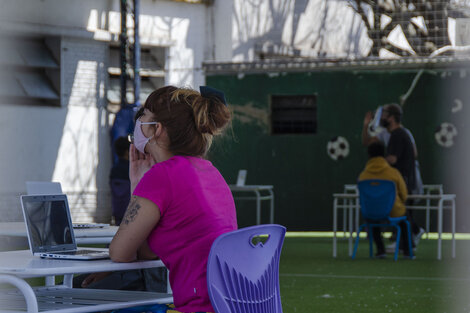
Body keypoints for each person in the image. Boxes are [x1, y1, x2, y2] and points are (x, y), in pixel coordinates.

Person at [107, 85, 237, 313]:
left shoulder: (162, 175)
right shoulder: (209, 171)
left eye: (143, 115)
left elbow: (119, 253)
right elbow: (149, 251)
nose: (138, 122)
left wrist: (137, 187)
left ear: (156, 129)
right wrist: (140, 187)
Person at [362, 104, 425, 246]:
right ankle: (407, 241)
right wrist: (366, 125)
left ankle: (409, 237)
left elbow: (393, 159)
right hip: (399, 182)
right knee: (401, 213)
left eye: (384, 114)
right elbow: (367, 142)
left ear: (391, 117)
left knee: (400, 212)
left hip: (403, 182)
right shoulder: (391, 134)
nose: (381, 117)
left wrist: (376, 166)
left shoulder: (399, 134)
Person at [358, 142, 410, 258]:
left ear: (369, 156)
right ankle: (407, 250)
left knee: (374, 219)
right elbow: (404, 195)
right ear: (384, 154)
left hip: (370, 212)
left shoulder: (363, 176)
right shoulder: (393, 173)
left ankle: (380, 250)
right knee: (405, 221)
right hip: (393, 211)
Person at [110, 136, 131, 226]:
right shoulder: (132, 170)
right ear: (127, 152)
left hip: (117, 214)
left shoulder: (114, 170)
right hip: (130, 215)